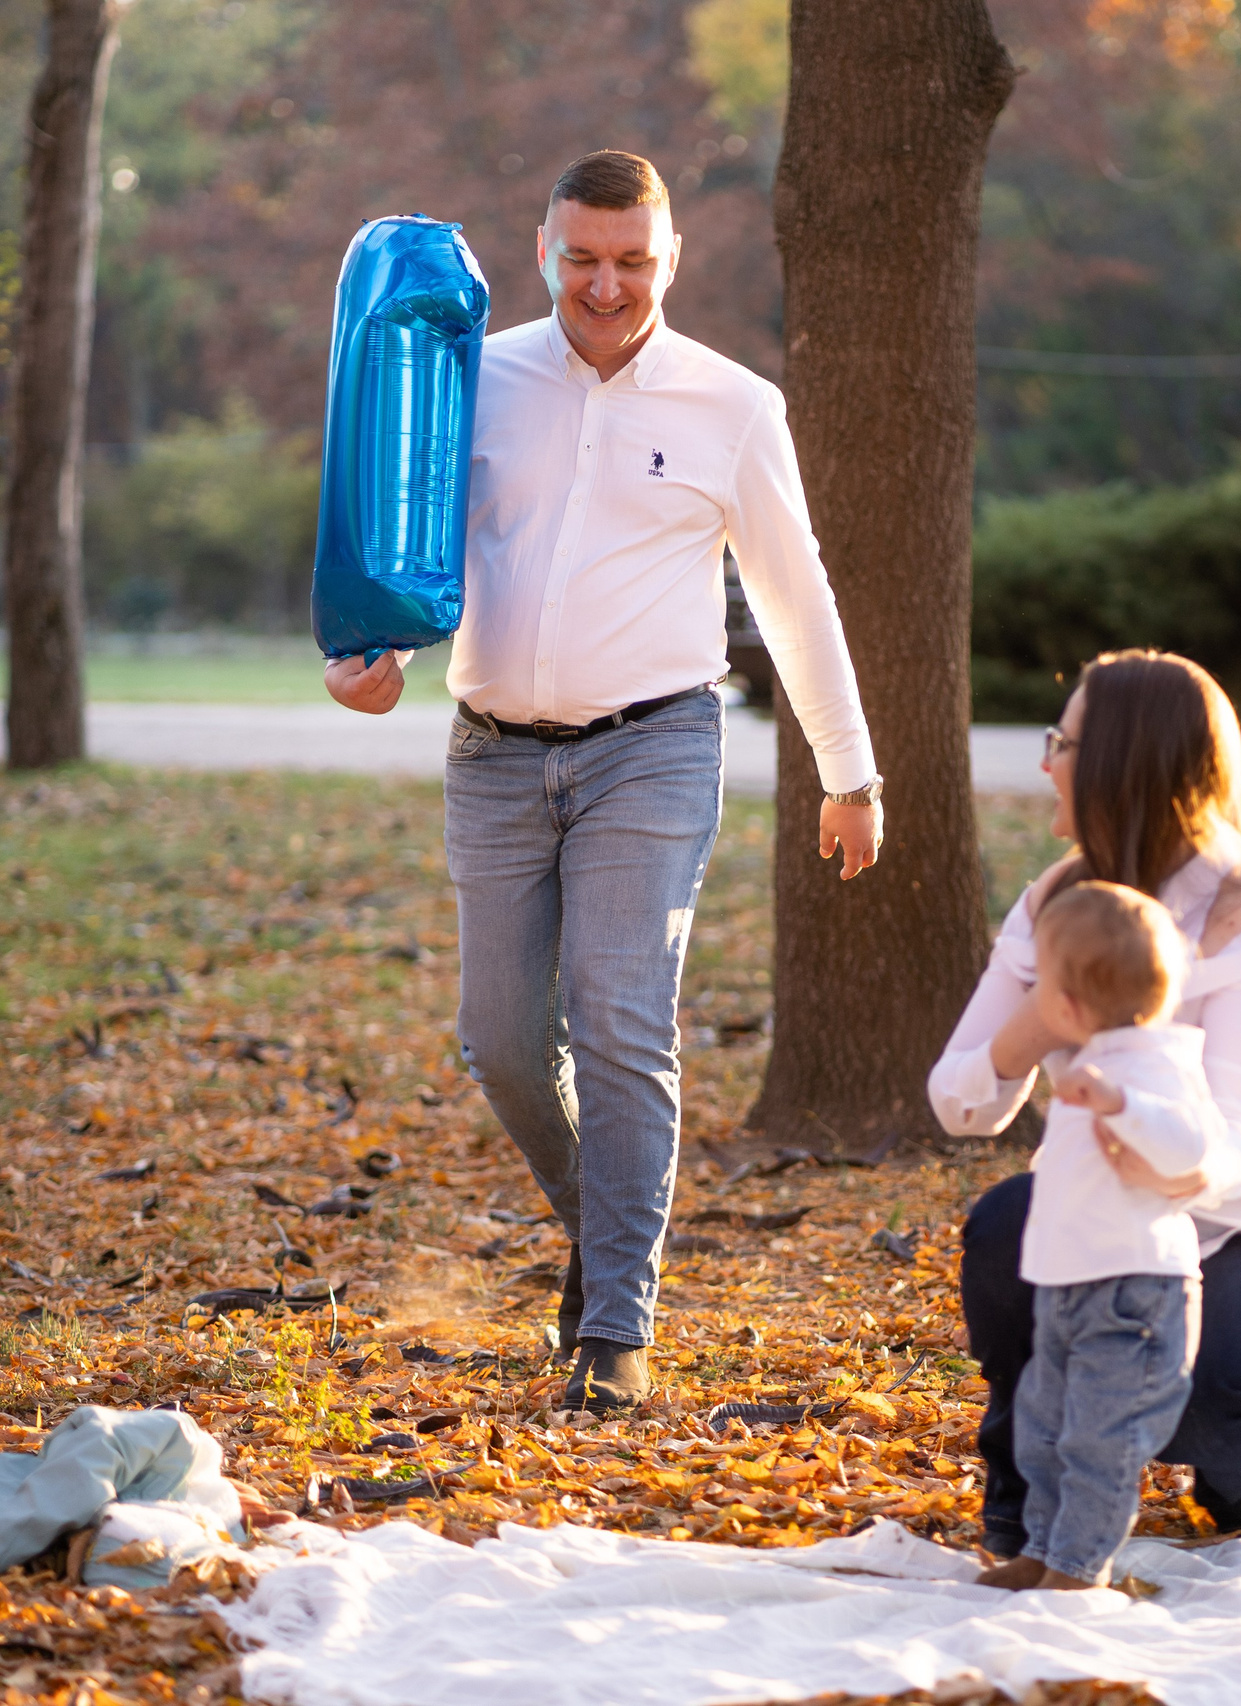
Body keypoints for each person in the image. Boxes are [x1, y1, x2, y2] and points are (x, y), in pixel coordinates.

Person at [324, 150, 887, 1413]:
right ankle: (608, 1226)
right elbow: (413, 545)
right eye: (580, 257)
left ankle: (616, 1323)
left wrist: (850, 773)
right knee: (504, 1043)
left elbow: (797, 598)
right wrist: (371, 656)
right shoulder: (477, 377)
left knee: (623, 1021)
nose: (605, 284)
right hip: (492, 752)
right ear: (544, 251)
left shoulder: (733, 405)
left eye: (631, 260)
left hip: (655, 746)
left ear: (669, 258)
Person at [930, 650, 1241, 1556]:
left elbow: (1234, 1152)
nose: (1046, 762)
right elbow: (959, 1103)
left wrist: (1143, 1134)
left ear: (1122, 764)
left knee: (1197, 1390)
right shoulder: (1061, 901)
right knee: (1005, 1227)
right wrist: (1037, 1026)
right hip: (1104, 1218)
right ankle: (1023, 1497)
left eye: (1063, 744)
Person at [983, 880, 1239, 1593]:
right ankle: (1043, 1548)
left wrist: (1120, 1103)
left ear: (1065, 1004)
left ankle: (1078, 1566)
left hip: (1136, 1292)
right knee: (1044, 1430)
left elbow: (1191, 1146)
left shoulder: (1161, 1064)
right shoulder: (1088, 1058)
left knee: (1102, 1439)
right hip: (1065, 1287)